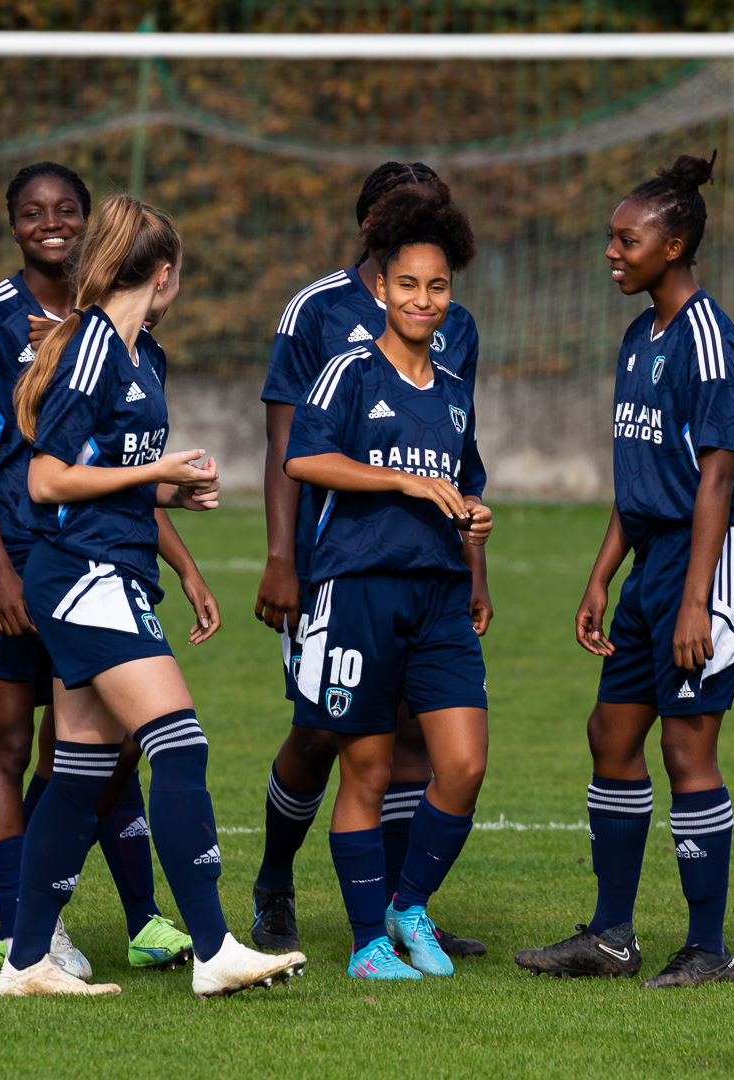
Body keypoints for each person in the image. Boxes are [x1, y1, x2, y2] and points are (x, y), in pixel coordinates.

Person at [0, 192, 305, 998]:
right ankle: (213, 949)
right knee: (180, 743)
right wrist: (154, 474)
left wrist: (166, 498)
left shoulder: (143, 354)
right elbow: (45, 479)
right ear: (162, 274)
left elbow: (97, 475)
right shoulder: (92, 346)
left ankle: (26, 963)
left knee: (81, 770)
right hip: (82, 576)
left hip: (110, 566)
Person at [514, 152, 734, 988]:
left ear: (674, 247)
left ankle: (709, 948)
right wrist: (602, 576)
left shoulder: (708, 338)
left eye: (627, 240)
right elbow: (638, 476)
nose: (613, 253)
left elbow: (716, 475)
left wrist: (695, 601)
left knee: (685, 745)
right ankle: (611, 936)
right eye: (611, 239)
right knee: (610, 733)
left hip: (721, 550)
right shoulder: (640, 337)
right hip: (656, 554)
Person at [0, 161, 196, 975]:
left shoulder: (128, 334)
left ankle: (133, 917)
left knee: (102, 747)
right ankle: (21, 923)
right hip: (9, 561)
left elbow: (127, 464)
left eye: (67, 211)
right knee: (10, 745)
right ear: (11, 225)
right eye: (31, 212)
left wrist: (182, 561)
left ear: (90, 224)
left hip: (90, 559)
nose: (51, 223)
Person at [250, 162, 488, 958]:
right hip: (342, 574)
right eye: (408, 281)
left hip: (435, 584)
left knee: (431, 751)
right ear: (376, 256)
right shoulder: (320, 319)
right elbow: (292, 446)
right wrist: (282, 558)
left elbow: (457, 467)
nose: (425, 297)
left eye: (439, 284)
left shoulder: (456, 348)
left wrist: (474, 559)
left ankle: (398, 907)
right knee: (325, 739)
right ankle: (277, 885)